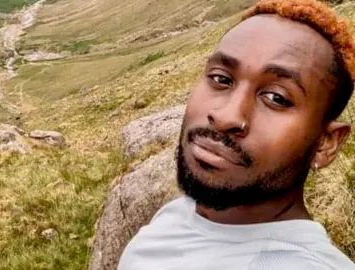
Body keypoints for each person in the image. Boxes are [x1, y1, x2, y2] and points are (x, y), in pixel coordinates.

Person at [117, 0, 355, 269]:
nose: (226, 116)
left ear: (326, 144)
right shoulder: (181, 214)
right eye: (221, 79)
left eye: (276, 97)